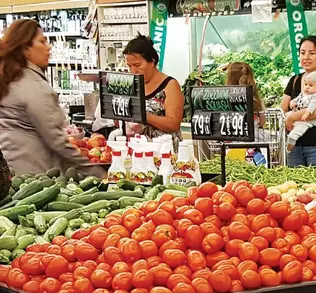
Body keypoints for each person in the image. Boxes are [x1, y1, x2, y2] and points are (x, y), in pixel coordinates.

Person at [0, 19, 105, 178]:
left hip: (11, 169)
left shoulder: (10, 78)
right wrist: (97, 173)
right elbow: (58, 141)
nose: (48, 47)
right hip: (32, 174)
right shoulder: (33, 85)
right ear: (25, 48)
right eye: (42, 41)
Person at [281, 35, 316, 172]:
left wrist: (292, 117)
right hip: (294, 148)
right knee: (294, 190)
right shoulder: (294, 80)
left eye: (312, 53)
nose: (306, 57)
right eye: (302, 53)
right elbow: (283, 106)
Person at [123, 34, 184, 150]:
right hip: (138, 149)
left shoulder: (170, 85)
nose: (133, 71)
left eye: (137, 65)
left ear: (152, 61)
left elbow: (174, 124)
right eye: (129, 66)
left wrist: (144, 116)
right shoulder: (132, 85)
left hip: (165, 150)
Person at [287, 71, 316, 151]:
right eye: (305, 85)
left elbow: (313, 106)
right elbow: (296, 99)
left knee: (294, 134)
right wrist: (292, 102)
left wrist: (307, 114)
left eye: (311, 85)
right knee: (283, 117)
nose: (307, 87)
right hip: (297, 115)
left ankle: (289, 149)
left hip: (307, 121)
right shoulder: (303, 94)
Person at [226, 62, 266, 129]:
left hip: (231, 136)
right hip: (254, 136)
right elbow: (262, 122)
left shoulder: (223, 97)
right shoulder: (255, 99)